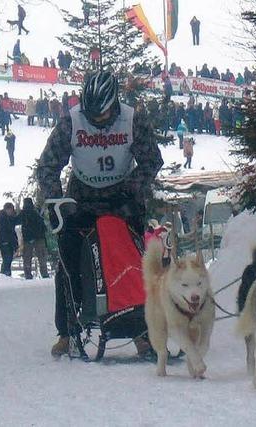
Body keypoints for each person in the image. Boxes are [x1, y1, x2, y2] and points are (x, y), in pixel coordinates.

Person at [36, 71, 163, 356]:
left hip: (121, 197)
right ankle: (68, 331)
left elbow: (151, 160)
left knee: (132, 261)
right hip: (82, 199)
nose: (98, 121)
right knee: (69, 262)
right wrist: (57, 200)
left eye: (103, 115)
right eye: (93, 115)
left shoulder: (132, 120)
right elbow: (47, 165)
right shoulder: (71, 121)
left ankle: (142, 331)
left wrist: (134, 190)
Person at [19, 197, 49, 280]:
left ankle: (28, 275)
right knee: (41, 257)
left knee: (28, 258)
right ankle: (44, 274)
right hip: (38, 237)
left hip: (29, 238)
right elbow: (42, 223)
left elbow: (16, 220)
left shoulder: (24, 213)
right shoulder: (36, 211)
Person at [0, 202, 19, 276]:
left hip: (10, 241)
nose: (10, 212)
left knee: (8, 259)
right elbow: (6, 230)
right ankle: (4, 274)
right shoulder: (2, 217)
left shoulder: (11, 218)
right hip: (4, 241)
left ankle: (6, 274)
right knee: (7, 259)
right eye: (9, 210)